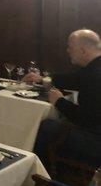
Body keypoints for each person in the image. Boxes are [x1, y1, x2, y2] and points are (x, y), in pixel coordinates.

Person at [25, 29, 101, 169]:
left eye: (70, 47)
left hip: (95, 141)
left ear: (83, 51)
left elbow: (86, 119)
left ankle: (38, 174)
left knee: (43, 126)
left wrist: (60, 101)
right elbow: (73, 80)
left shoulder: (94, 76)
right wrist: (43, 79)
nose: (67, 51)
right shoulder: (93, 68)